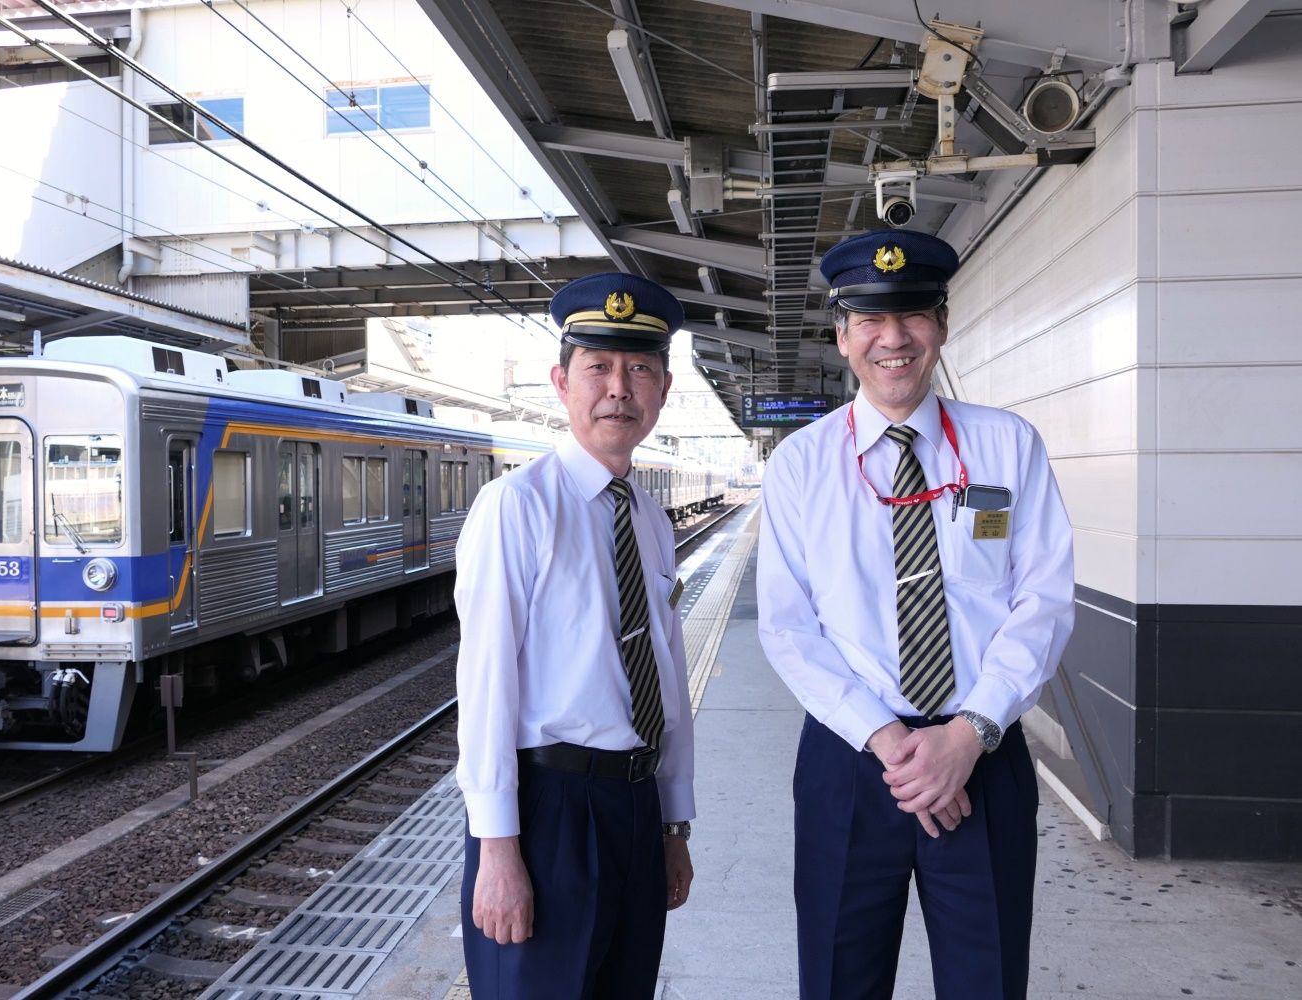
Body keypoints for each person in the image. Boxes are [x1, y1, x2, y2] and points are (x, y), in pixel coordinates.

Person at [757, 230, 1075, 1000]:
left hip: (983, 757)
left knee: (987, 980)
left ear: (942, 324)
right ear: (841, 336)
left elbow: (1044, 602)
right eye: (868, 318)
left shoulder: (1008, 447)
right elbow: (788, 628)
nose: (892, 338)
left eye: (912, 315)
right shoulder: (801, 464)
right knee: (839, 980)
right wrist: (896, 743)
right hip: (852, 761)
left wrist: (967, 736)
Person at [455, 271, 696, 999]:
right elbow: (486, 683)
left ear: (662, 387)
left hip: (635, 809)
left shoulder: (652, 521)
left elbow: (668, 678)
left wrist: (673, 823)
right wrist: (498, 850)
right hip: (547, 812)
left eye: (639, 369)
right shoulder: (515, 508)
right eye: (599, 367)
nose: (619, 388)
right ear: (562, 382)